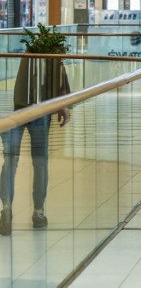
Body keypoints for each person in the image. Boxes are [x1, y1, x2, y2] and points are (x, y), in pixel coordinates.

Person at [0, 56, 70, 236]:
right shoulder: (51, 55)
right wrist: (64, 105)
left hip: (16, 111)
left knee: (10, 161)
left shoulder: (27, 55)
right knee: (39, 162)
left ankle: (6, 209)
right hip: (38, 111)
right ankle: (38, 213)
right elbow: (59, 77)